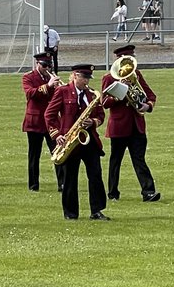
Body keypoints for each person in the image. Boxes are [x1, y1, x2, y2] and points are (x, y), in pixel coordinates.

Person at [45, 63, 110, 221]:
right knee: (70, 178)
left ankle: (97, 210)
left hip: (89, 140)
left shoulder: (92, 95)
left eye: (88, 78)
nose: (86, 81)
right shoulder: (63, 91)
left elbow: (101, 116)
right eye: (84, 77)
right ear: (75, 75)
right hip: (70, 140)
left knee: (95, 175)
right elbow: (49, 115)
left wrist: (93, 122)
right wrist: (56, 135)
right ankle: (70, 213)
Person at [101, 44, 160, 203]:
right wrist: (120, 91)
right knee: (116, 161)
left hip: (137, 125)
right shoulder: (109, 77)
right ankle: (113, 192)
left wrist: (148, 106)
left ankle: (148, 192)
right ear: (118, 60)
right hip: (119, 126)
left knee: (139, 159)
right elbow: (104, 102)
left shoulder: (136, 74)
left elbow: (150, 95)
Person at [21, 49, 64, 192]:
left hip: (51, 122)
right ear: (37, 63)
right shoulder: (28, 77)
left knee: (58, 152)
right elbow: (30, 93)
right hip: (35, 122)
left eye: (49, 65)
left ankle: (62, 183)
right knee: (34, 154)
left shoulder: (50, 77)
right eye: (44, 65)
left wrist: (59, 88)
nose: (47, 68)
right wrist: (48, 86)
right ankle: (33, 185)